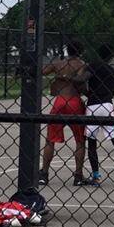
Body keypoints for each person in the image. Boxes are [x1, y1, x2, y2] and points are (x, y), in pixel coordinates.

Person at [40, 40, 90, 187]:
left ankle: (44, 173)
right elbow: (81, 85)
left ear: (67, 50)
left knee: (50, 140)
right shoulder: (82, 64)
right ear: (80, 51)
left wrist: (58, 78)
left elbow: (42, 71)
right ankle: (78, 175)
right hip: (74, 101)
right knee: (80, 141)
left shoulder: (58, 64)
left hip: (59, 101)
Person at [85, 43, 114, 178]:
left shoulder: (93, 66)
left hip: (93, 105)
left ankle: (96, 175)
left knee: (92, 142)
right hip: (107, 105)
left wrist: (86, 91)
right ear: (111, 56)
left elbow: (82, 79)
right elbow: (111, 92)